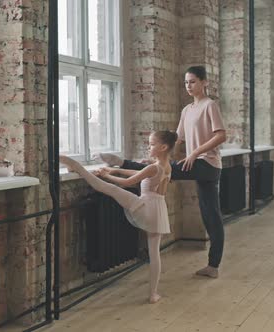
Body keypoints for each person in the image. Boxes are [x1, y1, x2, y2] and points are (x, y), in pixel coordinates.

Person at [97, 65, 226, 279]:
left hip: (208, 164)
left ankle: (120, 162)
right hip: (199, 165)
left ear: (204, 82)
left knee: (156, 171)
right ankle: (213, 266)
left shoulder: (209, 105)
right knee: (210, 215)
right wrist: (157, 156)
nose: (189, 86)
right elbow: (175, 140)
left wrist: (194, 153)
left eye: (193, 81)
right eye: (186, 82)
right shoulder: (187, 110)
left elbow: (221, 135)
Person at [60, 131, 177, 304]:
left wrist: (107, 175)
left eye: (151, 144)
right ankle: (153, 294)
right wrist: (114, 169)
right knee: (155, 254)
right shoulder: (166, 165)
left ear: (163, 147)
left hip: (145, 206)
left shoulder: (154, 167)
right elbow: (138, 173)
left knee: (111, 188)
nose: (148, 146)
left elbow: (128, 182)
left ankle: (77, 167)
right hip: (157, 209)